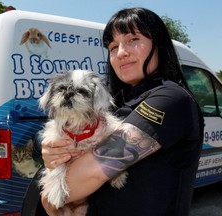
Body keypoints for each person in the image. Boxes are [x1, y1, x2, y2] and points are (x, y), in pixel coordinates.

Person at [40, 7, 204, 216]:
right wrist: (51, 154)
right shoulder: (117, 101)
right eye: (113, 46)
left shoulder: (171, 99)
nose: (121, 52)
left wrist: (47, 196)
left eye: (133, 39)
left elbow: (90, 175)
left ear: (159, 45)